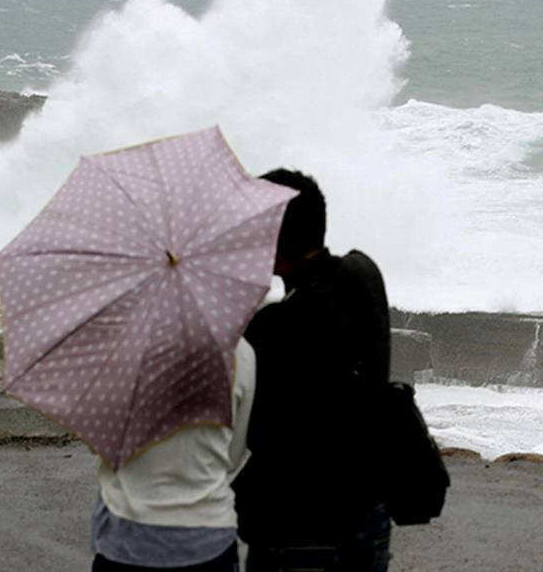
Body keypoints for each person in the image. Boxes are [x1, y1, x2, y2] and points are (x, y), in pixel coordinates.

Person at [234, 169, 392, 572]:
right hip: (367, 514)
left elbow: (252, 433)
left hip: (297, 531)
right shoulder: (364, 274)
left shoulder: (272, 329)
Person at [91, 337, 256, 571]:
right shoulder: (240, 352)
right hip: (207, 533)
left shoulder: (120, 348)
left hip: (128, 533)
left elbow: (99, 440)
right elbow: (232, 456)